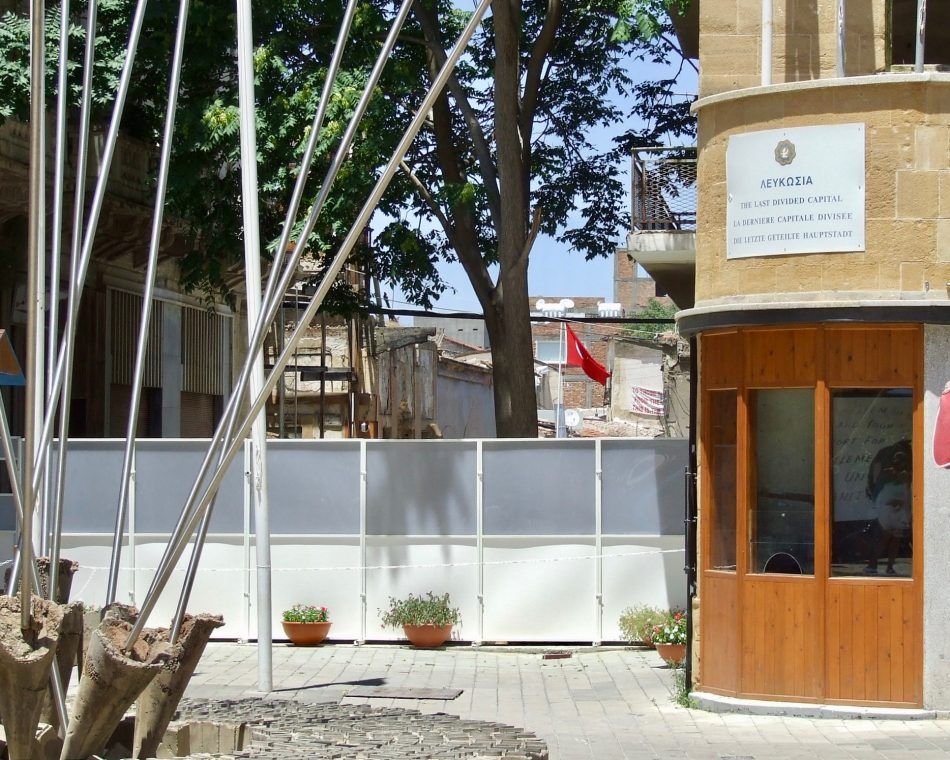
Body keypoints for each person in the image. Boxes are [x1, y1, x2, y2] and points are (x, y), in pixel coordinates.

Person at [864, 440, 911, 575]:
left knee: (892, 537)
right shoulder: (887, 472)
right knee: (886, 536)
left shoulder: (903, 473)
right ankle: (877, 565)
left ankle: (883, 566)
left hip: (898, 505)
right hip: (892, 506)